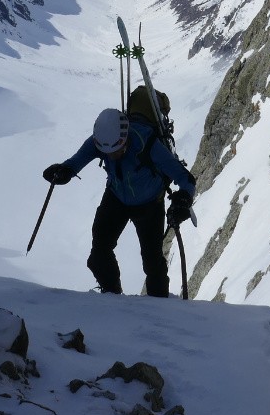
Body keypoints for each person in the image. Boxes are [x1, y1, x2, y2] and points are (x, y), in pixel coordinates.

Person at [44, 106, 196, 297]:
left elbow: (186, 179)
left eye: (117, 150)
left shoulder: (148, 144)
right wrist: (64, 171)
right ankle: (112, 297)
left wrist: (183, 199)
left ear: (125, 138)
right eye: (107, 152)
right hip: (117, 197)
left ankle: (159, 306)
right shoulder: (101, 141)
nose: (111, 155)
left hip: (149, 204)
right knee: (99, 254)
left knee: (152, 262)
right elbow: (76, 161)